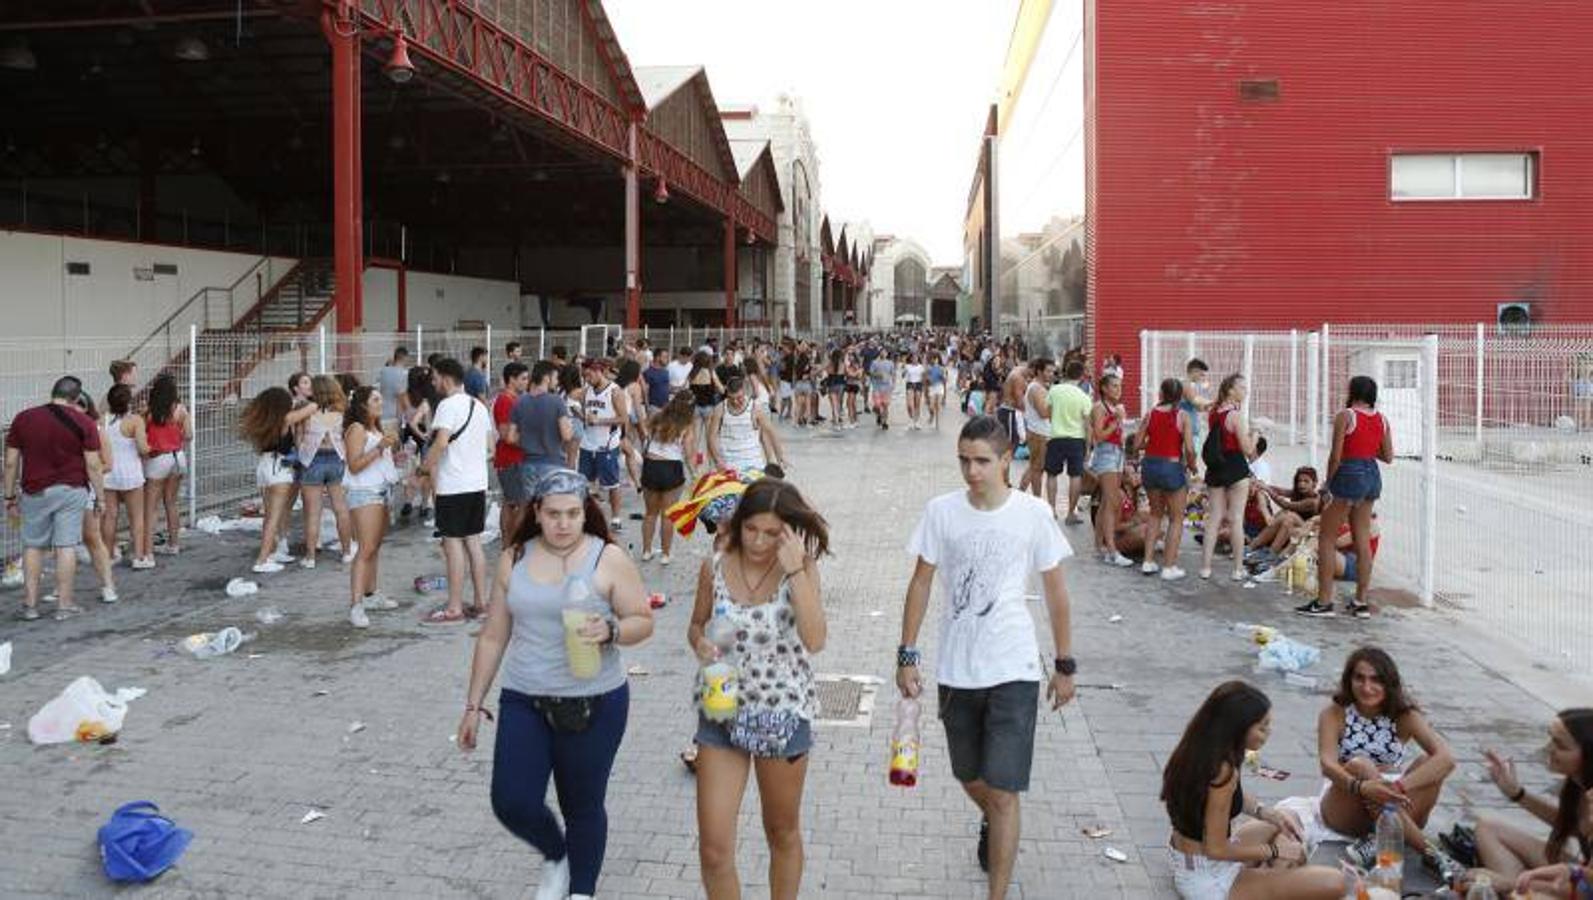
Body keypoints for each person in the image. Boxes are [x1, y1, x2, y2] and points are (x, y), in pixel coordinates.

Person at [896, 415, 1075, 900]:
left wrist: (1064, 664)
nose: (971, 470)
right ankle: (994, 819)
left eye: (981, 461)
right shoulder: (941, 511)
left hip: (1012, 667)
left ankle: (997, 889)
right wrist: (907, 653)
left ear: (1005, 459)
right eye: (964, 460)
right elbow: (921, 581)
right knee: (968, 775)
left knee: (1003, 791)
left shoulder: (1033, 513)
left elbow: (1056, 592)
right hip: (958, 667)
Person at [456, 469, 653, 900]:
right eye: (553, 514)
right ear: (537, 514)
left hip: (596, 699)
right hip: (526, 696)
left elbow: (642, 621)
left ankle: (581, 890)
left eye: (572, 514)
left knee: (582, 805)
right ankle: (556, 855)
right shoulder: (514, 557)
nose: (563, 523)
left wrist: (612, 631)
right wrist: (473, 705)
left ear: (586, 514)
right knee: (512, 800)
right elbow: (493, 635)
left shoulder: (608, 558)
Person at [686, 479, 828, 900]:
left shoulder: (798, 569)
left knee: (781, 831)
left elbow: (816, 639)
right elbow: (695, 624)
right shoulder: (714, 564)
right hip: (721, 709)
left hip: (782, 714)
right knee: (713, 849)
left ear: (786, 530)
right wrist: (700, 643)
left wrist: (798, 568)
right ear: (738, 523)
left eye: (771, 533)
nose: (759, 541)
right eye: (752, 530)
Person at [1162, 681, 1344, 899]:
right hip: (1208, 878)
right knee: (1336, 882)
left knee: (1287, 819)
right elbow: (1216, 849)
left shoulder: (1201, 749)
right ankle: (1274, 878)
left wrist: (1266, 812)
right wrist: (1275, 851)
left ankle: (1274, 878)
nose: (1267, 733)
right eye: (1262, 727)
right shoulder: (1222, 771)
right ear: (1238, 727)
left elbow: (1225, 799)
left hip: (1190, 859)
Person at [1312, 647, 1463, 881]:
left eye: (1376, 680)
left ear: (1389, 683)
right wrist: (1364, 786)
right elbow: (1327, 765)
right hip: (1347, 800)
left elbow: (1447, 759)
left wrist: (1397, 788)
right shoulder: (1334, 714)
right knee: (1362, 765)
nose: (1366, 687)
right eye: (1359, 678)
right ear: (1349, 680)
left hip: (1393, 802)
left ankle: (1377, 841)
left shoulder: (1405, 716)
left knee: (1428, 762)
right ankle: (1434, 855)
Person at [5, 377, 108, 620]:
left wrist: (9, 497)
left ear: (52, 392)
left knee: (33, 546)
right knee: (65, 546)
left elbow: (10, 462)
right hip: (71, 491)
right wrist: (100, 498)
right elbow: (93, 465)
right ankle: (64, 605)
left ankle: (30, 606)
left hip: (34, 491)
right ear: (76, 398)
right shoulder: (84, 422)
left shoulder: (24, 418)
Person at [1299, 375, 1393, 619]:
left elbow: (1335, 456)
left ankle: (1324, 601)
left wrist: (1328, 485)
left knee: (1326, 539)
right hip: (1372, 474)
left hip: (1349, 473)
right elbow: (1388, 456)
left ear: (1353, 391)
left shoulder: (1346, 416)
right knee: (1362, 540)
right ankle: (1361, 602)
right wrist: (1367, 450)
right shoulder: (1381, 419)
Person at [1473, 709, 1593, 889]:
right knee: (1489, 827)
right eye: (1551, 738)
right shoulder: (1578, 786)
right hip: (1582, 875)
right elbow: (1573, 825)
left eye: (1560, 745)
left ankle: (1516, 889)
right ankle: (1518, 891)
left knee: (1508, 884)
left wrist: (1510, 884)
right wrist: (1517, 793)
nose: (1548, 749)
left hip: (1586, 885)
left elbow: (1587, 887)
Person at [419, 358, 496, 624]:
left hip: (453, 486)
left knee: (452, 545)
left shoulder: (447, 406)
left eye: (435, 377)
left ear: (446, 378)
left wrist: (422, 469)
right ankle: (481, 602)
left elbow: (440, 443)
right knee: (474, 543)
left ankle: (454, 607)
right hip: (477, 484)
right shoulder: (479, 406)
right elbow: (491, 449)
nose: (432, 381)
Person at [240, 388, 318, 573]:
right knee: (274, 517)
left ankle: (273, 552)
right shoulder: (285, 419)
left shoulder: (265, 422)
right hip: (279, 469)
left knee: (269, 516)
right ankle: (262, 560)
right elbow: (312, 408)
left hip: (265, 466)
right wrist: (308, 400)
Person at [342, 386, 401, 628]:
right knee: (365, 549)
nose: (380, 403)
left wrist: (392, 448)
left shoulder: (375, 427)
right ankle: (356, 605)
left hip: (381, 490)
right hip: (364, 493)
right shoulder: (356, 429)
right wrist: (380, 448)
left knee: (374, 547)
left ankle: (370, 594)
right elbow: (354, 465)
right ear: (363, 405)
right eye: (375, 399)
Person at [1200, 375, 1256, 582]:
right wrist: (1257, 432)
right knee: (1236, 519)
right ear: (1231, 390)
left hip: (1216, 467)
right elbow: (1248, 449)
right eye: (1242, 387)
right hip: (1235, 466)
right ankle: (1238, 569)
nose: (1245, 391)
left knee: (1214, 518)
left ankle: (1205, 567)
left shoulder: (1214, 413)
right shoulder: (1235, 415)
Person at [297, 375, 356, 569]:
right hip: (336, 459)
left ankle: (310, 557)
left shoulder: (307, 412)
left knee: (313, 512)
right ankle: (347, 551)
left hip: (312, 461)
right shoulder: (341, 413)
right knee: (341, 509)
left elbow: (299, 439)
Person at [1140, 378, 1197, 580]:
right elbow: (1189, 449)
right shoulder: (1183, 416)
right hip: (1172, 466)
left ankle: (1147, 562)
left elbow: (1137, 443)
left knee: (1155, 514)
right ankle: (1169, 566)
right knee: (1176, 518)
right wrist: (1193, 466)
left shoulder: (1150, 414)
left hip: (1150, 465)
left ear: (1161, 394)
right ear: (1180, 396)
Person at [100, 384, 153, 571]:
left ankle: (108, 555)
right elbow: (143, 448)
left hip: (108, 474)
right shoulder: (135, 421)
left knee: (109, 517)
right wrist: (152, 447)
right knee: (136, 517)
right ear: (129, 401)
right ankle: (138, 557)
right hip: (131, 475)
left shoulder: (102, 420)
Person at [639, 392, 695, 564]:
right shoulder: (687, 425)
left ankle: (646, 551)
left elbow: (645, 439)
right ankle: (665, 554)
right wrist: (694, 474)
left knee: (650, 514)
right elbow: (688, 454)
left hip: (651, 466)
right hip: (672, 469)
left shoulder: (657, 418)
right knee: (667, 516)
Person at [142, 373, 191, 557]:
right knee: (171, 502)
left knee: (151, 507)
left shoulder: (148, 412)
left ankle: (147, 552)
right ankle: (174, 544)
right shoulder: (181, 410)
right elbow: (189, 435)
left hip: (157, 459)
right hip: (178, 457)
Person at [577, 360, 629, 528]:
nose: (587, 379)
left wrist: (599, 421)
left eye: (590, 375)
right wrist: (579, 415)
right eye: (584, 376)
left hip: (606, 445)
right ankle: (588, 516)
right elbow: (587, 416)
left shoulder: (615, 392)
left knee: (612, 484)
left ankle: (615, 518)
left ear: (600, 371)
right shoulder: (586, 392)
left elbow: (623, 419)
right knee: (585, 483)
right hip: (587, 444)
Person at [1089, 373, 1134, 567]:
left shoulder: (1113, 408)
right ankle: (1112, 550)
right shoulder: (1100, 408)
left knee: (1108, 501)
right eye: (1114, 386)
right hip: (1106, 454)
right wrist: (1116, 420)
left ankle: (1100, 545)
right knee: (1113, 502)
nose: (1118, 389)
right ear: (1104, 388)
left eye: (1120, 386)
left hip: (1116, 454)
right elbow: (1098, 436)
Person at [514, 360, 577, 488]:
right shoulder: (557, 401)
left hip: (527, 464)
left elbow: (511, 437)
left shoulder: (520, 402)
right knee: (550, 505)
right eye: (555, 378)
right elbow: (567, 436)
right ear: (547, 378)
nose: (557, 382)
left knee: (527, 505)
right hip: (553, 464)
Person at [707, 376, 787, 476]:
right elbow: (711, 437)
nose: (735, 402)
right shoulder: (720, 409)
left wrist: (780, 457)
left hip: (753, 463)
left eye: (739, 398)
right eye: (731, 398)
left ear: (744, 392)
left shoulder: (755, 408)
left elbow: (771, 432)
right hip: (728, 463)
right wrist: (717, 460)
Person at [1045, 359, 1093, 524]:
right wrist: (1088, 448)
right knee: (1075, 476)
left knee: (1052, 474)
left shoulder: (1054, 390)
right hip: (1076, 439)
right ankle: (1071, 513)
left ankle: (1051, 510)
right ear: (1081, 376)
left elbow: (1048, 414)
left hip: (1056, 437)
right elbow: (1087, 426)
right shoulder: (1084, 396)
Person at [494, 362, 532, 541]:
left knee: (512, 504)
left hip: (517, 459)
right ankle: (511, 544)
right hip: (510, 460)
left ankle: (509, 544)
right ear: (511, 380)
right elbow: (506, 435)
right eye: (523, 379)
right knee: (519, 505)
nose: (527, 382)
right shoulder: (504, 401)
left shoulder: (516, 400)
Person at [402, 365, 439, 523]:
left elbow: (411, 422)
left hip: (425, 442)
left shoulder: (422, 402)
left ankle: (409, 501)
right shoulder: (441, 403)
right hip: (439, 442)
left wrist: (423, 435)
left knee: (420, 473)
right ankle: (426, 505)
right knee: (433, 479)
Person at [1020, 358, 1055, 498]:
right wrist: (1057, 405)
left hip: (1038, 432)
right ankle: (1036, 500)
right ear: (1039, 371)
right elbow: (1044, 413)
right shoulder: (1036, 388)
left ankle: (1020, 494)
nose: (1051, 374)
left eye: (1053, 371)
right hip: (1039, 433)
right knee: (1037, 469)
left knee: (1033, 467)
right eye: (1048, 371)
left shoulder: (1038, 387)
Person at [1182, 358, 1215, 449]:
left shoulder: (1193, 387)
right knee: (1188, 460)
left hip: (1192, 431)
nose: (1203, 378)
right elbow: (1196, 400)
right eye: (1201, 375)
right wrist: (1216, 402)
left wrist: (1208, 405)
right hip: (1184, 434)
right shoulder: (1185, 385)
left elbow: (1200, 408)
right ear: (1194, 371)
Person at [378, 346, 411, 430]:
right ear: (405, 358)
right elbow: (402, 397)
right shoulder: (404, 374)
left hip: (380, 411)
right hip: (393, 415)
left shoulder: (383, 371)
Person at [868, 350, 896, 429]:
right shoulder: (874, 362)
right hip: (877, 387)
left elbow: (893, 373)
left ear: (887, 354)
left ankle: (885, 422)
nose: (883, 353)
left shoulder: (890, 363)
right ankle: (879, 415)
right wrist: (877, 375)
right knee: (877, 405)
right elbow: (870, 373)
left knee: (885, 405)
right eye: (882, 352)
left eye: (885, 352)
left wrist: (893, 384)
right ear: (879, 353)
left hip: (887, 387)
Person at [643, 348, 673, 416]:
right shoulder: (648, 373)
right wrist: (647, 408)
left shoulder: (665, 372)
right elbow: (645, 392)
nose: (667, 359)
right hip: (654, 408)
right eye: (665, 357)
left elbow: (667, 387)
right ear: (657, 358)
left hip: (666, 407)